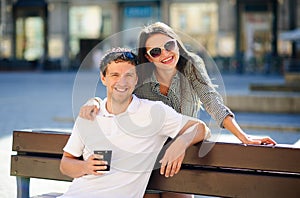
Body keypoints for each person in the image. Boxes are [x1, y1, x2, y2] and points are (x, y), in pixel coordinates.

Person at [79, 22, 277, 198]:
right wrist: (95, 101)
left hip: (182, 156)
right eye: (156, 52)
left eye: (168, 45)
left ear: (176, 43)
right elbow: (118, 93)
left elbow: (211, 100)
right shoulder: (142, 74)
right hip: (145, 156)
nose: (165, 54)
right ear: (147, 57)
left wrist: (244, 137)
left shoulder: (192, 65)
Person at [59, 48, 210, 198]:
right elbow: (66, 164)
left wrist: (182, 142)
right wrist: (85, 166)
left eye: (128, 75)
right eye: (115, 75)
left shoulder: (153, 112)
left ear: (136, 79)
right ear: (103, 78)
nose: (122, 82)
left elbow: (201, 128)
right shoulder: (89, 114)